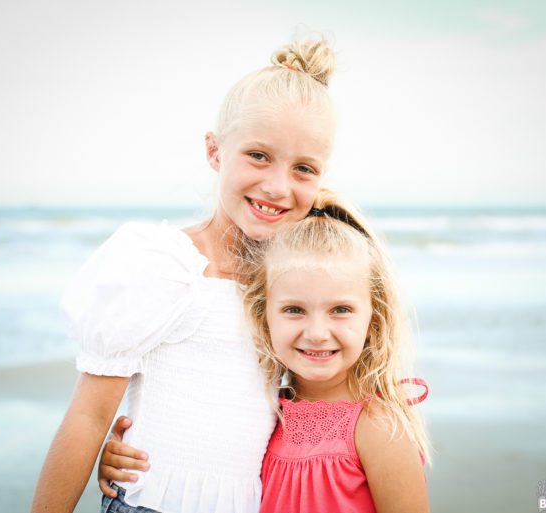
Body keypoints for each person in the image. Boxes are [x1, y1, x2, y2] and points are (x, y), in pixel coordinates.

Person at [31, 34, 339, 513]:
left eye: (304, 168)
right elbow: (90, 418)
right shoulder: (168, 266)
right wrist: (103, 453)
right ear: (215, 151)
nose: (277, 186)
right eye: (258, 155)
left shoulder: (301, 284)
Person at [101, 192, 431, 512]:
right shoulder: (268, 414)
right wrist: (124, 456)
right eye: (294, 310)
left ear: (373, 321)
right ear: (264, 318)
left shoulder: (378, 428)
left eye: (341, 310)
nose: (317, 333)